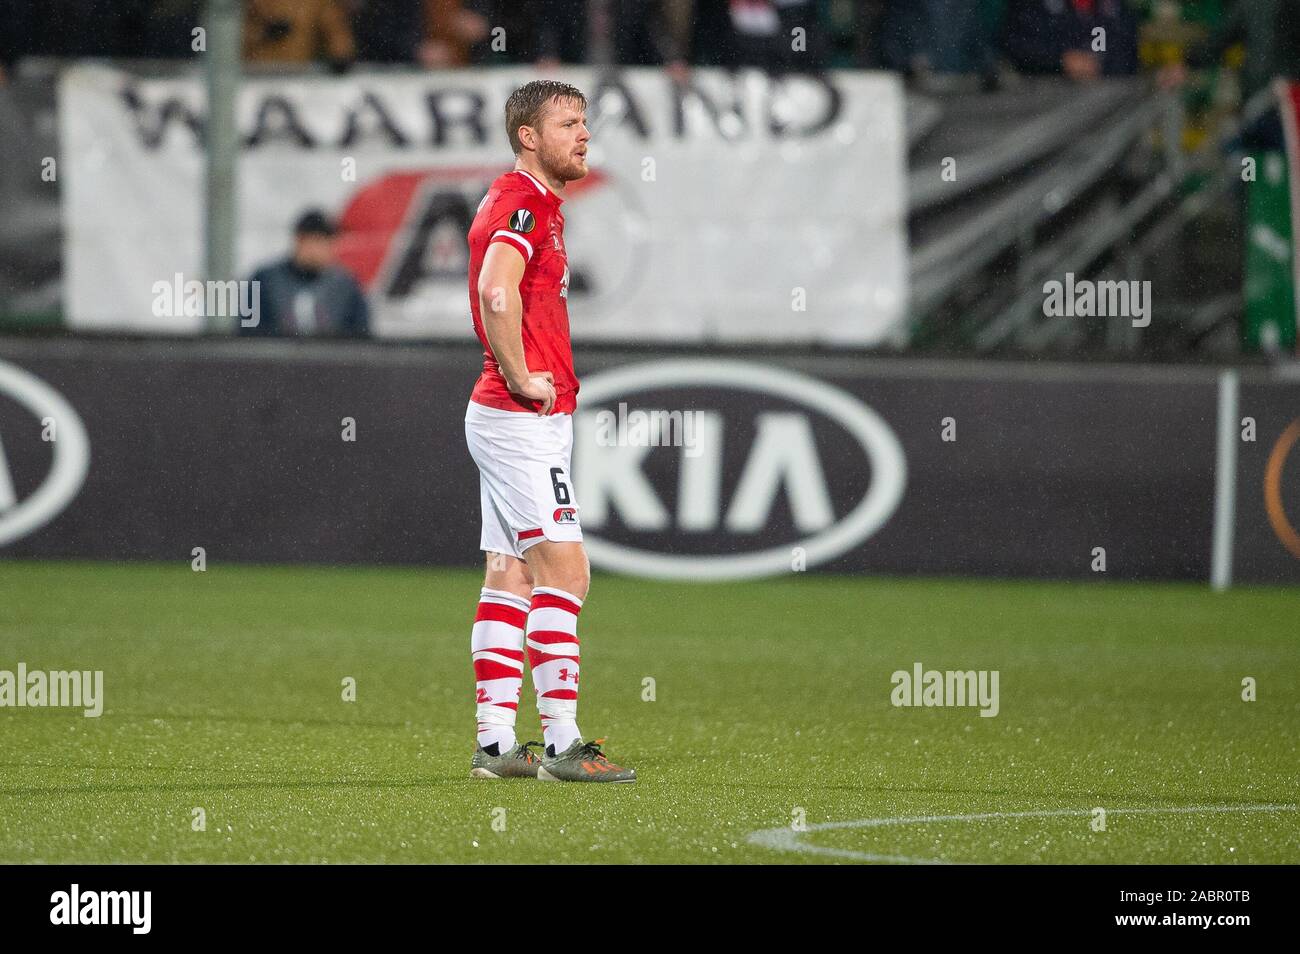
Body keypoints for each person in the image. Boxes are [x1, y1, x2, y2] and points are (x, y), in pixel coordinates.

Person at [462, 80, 635, 783]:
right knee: (567, 572)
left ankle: (496, 744)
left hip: (507, 418)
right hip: (520, 419)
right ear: (528, 137)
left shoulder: (526, 200)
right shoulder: (525, 203)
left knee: (511, 572)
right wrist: (520, 372)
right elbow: (495, 289)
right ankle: (564, 745)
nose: (584, 134)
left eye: (585, 122)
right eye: (567, 124)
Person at [241, 210, 370, 337]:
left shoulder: (346, 287)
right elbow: (248, 334)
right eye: (313, 241)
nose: (316, 250)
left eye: (324, 243)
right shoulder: (265, 281)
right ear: (298, 241)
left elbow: (360, 336)